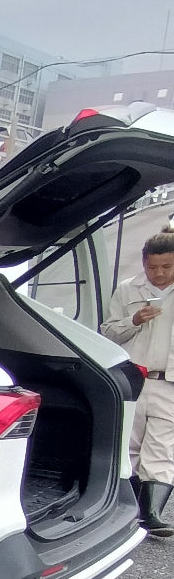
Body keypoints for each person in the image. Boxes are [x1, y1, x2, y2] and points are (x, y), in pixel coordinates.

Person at [102, 230, 174, 537]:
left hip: (169, 380)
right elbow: (107, 332)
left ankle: (152, 513)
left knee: (162, 446)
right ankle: (126, 510)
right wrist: (134, 320)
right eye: (152, 267)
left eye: (167, 267)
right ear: (144, 264)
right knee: (127, 445)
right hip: (133, 378)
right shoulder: (128, 289)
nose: (158, 274)